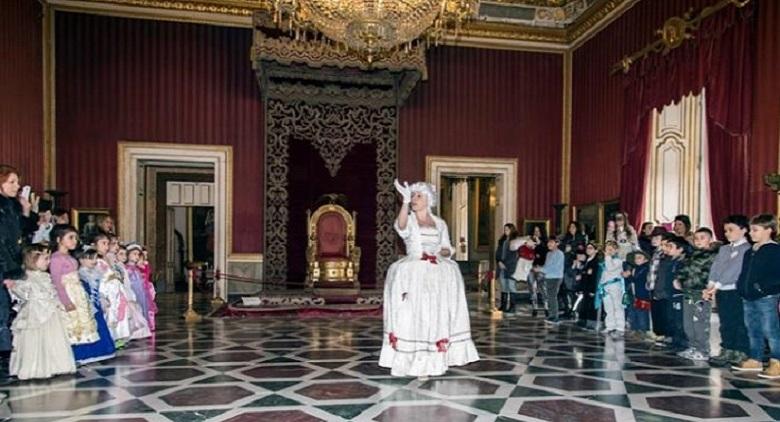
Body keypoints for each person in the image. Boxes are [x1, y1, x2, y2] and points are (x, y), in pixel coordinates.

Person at [379, 179, 479, 378]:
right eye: (413, 196)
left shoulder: (439, 223)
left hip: (436, 271)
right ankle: (411, 357)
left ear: (428, 200)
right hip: (414, 270)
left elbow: (447, 247)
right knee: (413, 313)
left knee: (435, 312)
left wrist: (441, 251)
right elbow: (400, 226)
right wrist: (405, 202)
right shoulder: (410, 219)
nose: (415, 199)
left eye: (418, 196)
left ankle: (435, 356)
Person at [4, 245, 75, 380]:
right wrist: (14, 286)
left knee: (52, 338)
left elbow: (52, 293)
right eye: (45, 259)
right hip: (35, 313)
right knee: (34, 339)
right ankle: (34, 367)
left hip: (50, 312)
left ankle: (56, 365)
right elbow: (24, 293)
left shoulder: (46, 277)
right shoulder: (27, 279)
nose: (48, 262)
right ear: (32, 259)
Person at [732, 214, 780, 378]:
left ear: (769, 230)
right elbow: (745, 273)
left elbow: (776, 276)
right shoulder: (750, 251)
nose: (750, 233)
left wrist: (762, 288)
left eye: (755, 230)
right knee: (753, 329)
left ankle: (777, 362)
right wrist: (741, 286)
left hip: (765, 297)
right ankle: (755, 358)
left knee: (771, 330)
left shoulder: (774, 250)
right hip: (748, 296)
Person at [0, 165, 38, 364]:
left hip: (11, 264)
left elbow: (24, 234)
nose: (17, 185)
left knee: (8, 311)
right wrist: (7, 272)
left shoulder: (12, 206)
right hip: (4, 265)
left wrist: (26, 211)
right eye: (11, 182)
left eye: (17, 181)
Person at [702, 215, 750, 367]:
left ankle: (740, 350)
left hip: (735, 290)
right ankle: (727, 348)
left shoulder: (746, 249)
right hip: (721, 290)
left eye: (731, 230)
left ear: (743, 230)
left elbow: (735, 269)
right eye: (726, 230)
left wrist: (717, 285)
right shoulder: (724, 249)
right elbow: (716, 267)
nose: (727, 233)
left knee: (738, 321)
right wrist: (710, 284)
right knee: (725, 321)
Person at [676, 228, 720, 361]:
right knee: (688, 321)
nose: (698, 241)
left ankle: (703, 349)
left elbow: (712, 274)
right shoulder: (691, 255)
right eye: (696, 238)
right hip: (689, 292)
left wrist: (709, 287)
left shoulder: (712, 256)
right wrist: (679, 280)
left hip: (701, 293)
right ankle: (693, 346)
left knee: (700, 321)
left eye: (702, 238)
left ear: (710, 239)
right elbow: (684, 269)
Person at [75, 247, 116, 363]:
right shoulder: (80, 274)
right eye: (90, 258)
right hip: (85, 304)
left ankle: (102, 350)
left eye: (95, 258)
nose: (94, 261)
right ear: (81, 260)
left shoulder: (96, 273)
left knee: (100, 325)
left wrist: (102, 298)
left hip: (96, 303)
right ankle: (88, 352)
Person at [596, 241, 625, 337]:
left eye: (611, 249)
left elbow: (610, 268)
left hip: (615, 285)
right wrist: (601, 284)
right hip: (606, 286)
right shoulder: (605, 260)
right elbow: (603, 274)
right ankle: (610, 326)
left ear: (616, 250)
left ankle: (620, 327)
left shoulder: (618, 261)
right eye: (607, 249)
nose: (608, 251)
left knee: (617, 307)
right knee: (608, 307)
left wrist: (607, 257)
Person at [537, 238, 564, 324]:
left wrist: (541, 269)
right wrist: (542, 272)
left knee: (552, 297)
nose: (549, 244)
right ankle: (551, 315)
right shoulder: (548, 254)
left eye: (551, 242)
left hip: (556, 277)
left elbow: (554, 267)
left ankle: (555, 317)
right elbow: (546, 265)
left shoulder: (560, 254)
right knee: (550, 297)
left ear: (557, 243)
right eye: (548, 242)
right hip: (548, 277)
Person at [625, 251, 651, 339]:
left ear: (645, 259)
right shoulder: (635, 269)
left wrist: (629, 276)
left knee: (642, 312)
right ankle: (634, 328)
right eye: (636, 258)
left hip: (643, 294)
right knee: (633, 311)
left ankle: (642, 330)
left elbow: (638, 280)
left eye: (639, 257)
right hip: (634, 293)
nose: (637, 260)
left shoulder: (646, 268)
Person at [495, 224, 520, 315]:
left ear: (512, 230)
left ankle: (512, 306)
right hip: (501, 266)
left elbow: (514, 256)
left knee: (511, 285)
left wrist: (506, 264)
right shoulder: (502, 241)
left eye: (507, 229)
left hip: (511, 267)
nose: (505, 231)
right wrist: (499, 261)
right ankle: (504, 305)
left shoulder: (515, 241)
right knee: (503, 285)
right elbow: (498, 253)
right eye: (504, 229)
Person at [575, 242, 600, 330]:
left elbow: (594, 277)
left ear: (596, 250)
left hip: (591, 287)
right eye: (587, 248)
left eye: (591, 248)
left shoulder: (595, 262)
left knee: (591, 305)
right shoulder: (587, 261)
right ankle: (583, 320)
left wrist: (593, 290)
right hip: (585, 286)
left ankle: (591, 323)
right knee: (584, 304)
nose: (588, 250)